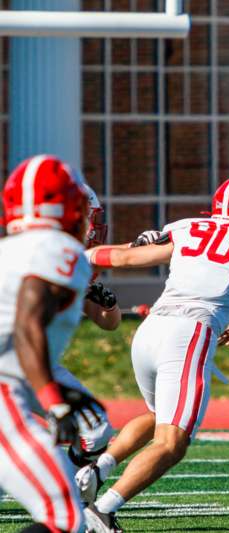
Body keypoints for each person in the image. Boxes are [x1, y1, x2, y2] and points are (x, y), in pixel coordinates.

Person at [79, 176, 229, 533]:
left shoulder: (189, 228)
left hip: (150, 331)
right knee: (173, 441)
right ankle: (102, 511)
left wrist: (74, 255)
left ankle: (97, 469)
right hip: (190, 332)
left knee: (157, 417)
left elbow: (123, 256)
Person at [0, 154, 105, 533]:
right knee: (64, 518)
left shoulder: (11, 249)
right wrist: (53, 400)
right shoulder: (58, 249)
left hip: (12, 385)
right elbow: (28, 324)